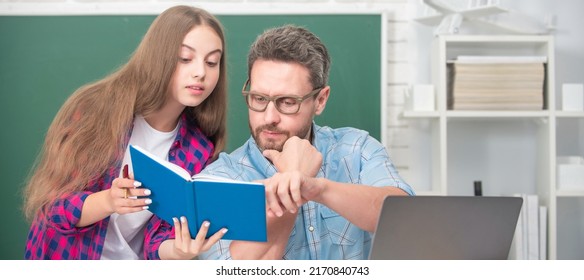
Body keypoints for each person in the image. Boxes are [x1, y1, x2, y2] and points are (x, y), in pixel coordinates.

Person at [23, 5, 228, 260]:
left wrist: (179, 249)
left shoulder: (200, 147)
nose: (201, 72)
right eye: (185, 58)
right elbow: (53, 208)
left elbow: (157, 242)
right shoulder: (95, 109)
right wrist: (108, 201)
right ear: (159, 56)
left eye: (212, 62)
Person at [198, 25, 415, 260]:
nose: (269, 117)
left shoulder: (357, 149)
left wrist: (316, 187)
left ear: (320, 100)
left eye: (288, 102)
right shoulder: (220, 180)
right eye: (259, 98)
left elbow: (404, 217)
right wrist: (291, 181)